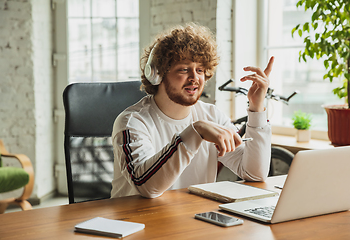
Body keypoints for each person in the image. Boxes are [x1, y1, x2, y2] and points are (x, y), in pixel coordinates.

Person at [111, 23, 274, 198]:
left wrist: (256, 109)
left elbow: (254, 174)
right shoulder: (133, 122)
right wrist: (196, 131)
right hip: (137, 221)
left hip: (194, 219)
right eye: (184, 69)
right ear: (157, 73)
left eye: (200, 70)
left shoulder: (212, 116)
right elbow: (147, 187)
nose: (195, 78)